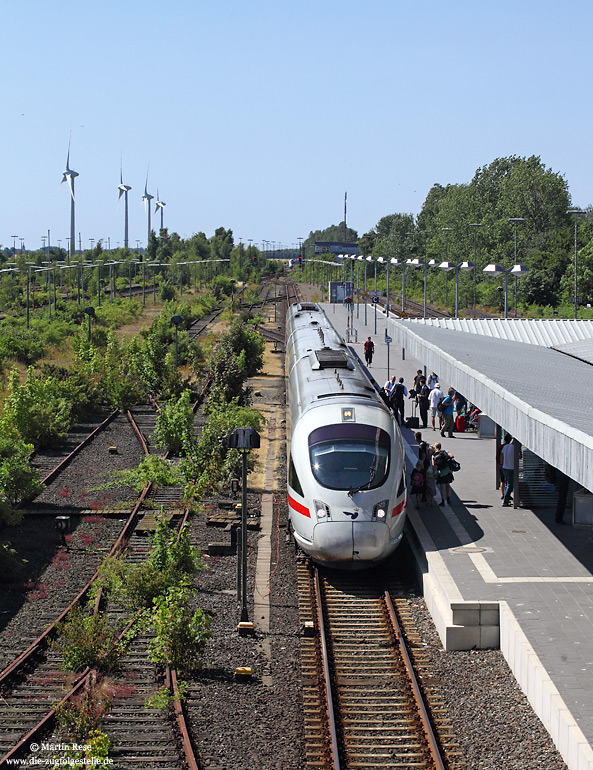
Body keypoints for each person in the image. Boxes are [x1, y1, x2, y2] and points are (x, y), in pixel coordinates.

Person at [499, 433, 515, 507]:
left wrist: (501, 465)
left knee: (506, 483)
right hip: (511, 467)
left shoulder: (505, 447)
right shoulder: (514, 447)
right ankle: (505, 500)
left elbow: (502, 456)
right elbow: (518, 457)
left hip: (505, 467)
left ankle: (505, 498)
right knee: (510, 485)